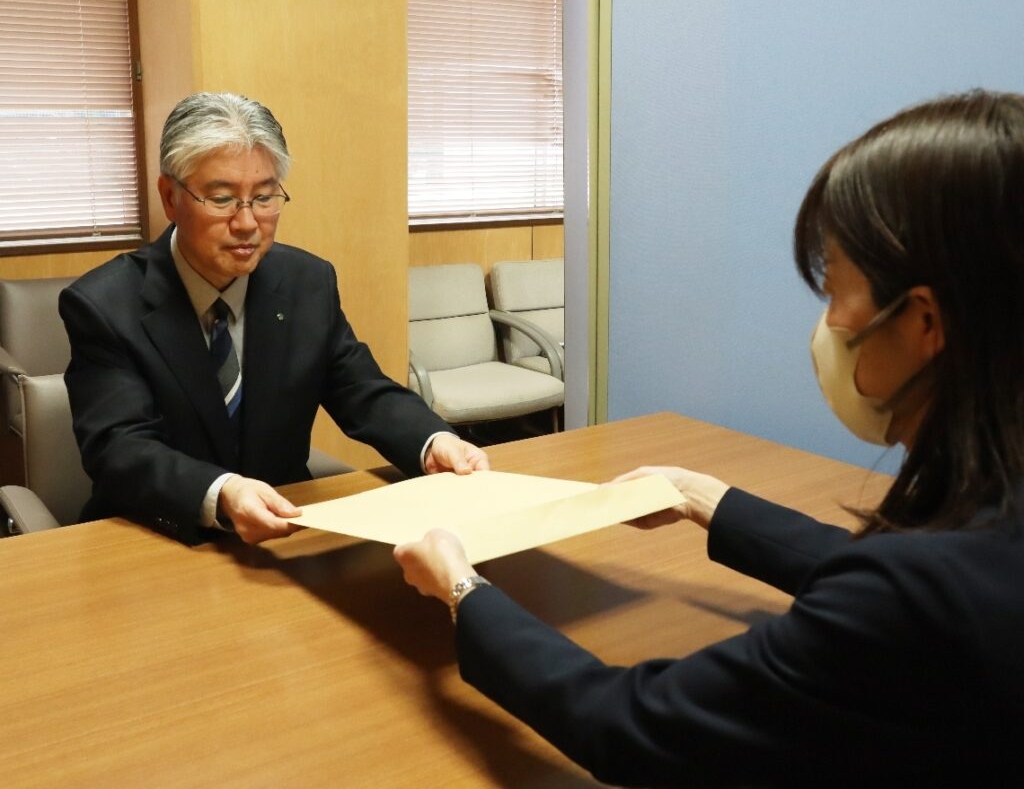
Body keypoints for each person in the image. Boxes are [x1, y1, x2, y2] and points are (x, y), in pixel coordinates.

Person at [393, 89, 1024, 786]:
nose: (827, 325)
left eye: (836, 289)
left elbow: (628, 723)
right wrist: (708, 499)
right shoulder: (982, 541)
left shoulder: (915, 596)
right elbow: (891, 585)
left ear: (924, 324)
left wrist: (462, 587)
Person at [61, 92, 488, 546]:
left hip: (284, 531)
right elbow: (120, 448)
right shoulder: (104, 304)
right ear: (170, 197)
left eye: (264, 198)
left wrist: (432, 442)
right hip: (158, 535)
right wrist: (222, 492)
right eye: (222, 199)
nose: (247, 223)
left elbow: (359, 389)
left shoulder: (307, 282)